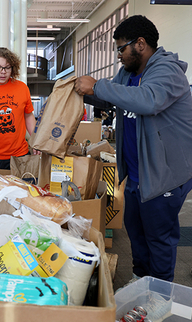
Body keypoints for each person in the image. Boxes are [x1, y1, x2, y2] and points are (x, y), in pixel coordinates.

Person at [75, 15, 192, 283]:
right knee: (136, 232)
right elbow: (111, 95)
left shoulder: (167, 71)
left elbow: (149, 100)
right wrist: (83, 91)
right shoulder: (127, 74)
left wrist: (98, 85)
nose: (118, 55)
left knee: (159, 237)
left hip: (163, 174)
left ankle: (160, 294)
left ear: (140, 44)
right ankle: (141, 281)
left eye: (121, 48)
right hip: (136, 175)